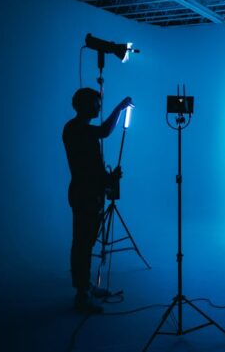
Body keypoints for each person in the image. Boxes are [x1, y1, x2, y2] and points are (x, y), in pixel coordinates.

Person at [63, 87, 133, 314]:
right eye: (95, 103)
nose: (98, 107)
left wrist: (108, 179)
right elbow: (104, 131)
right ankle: (81, 294)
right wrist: (120, 108)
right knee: (82, 243)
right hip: (84, 194)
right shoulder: (74, 129)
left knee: (88, 242)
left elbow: (92, 164)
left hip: (91, 193)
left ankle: (86, 286)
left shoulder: (80, 129)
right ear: (83, 105)